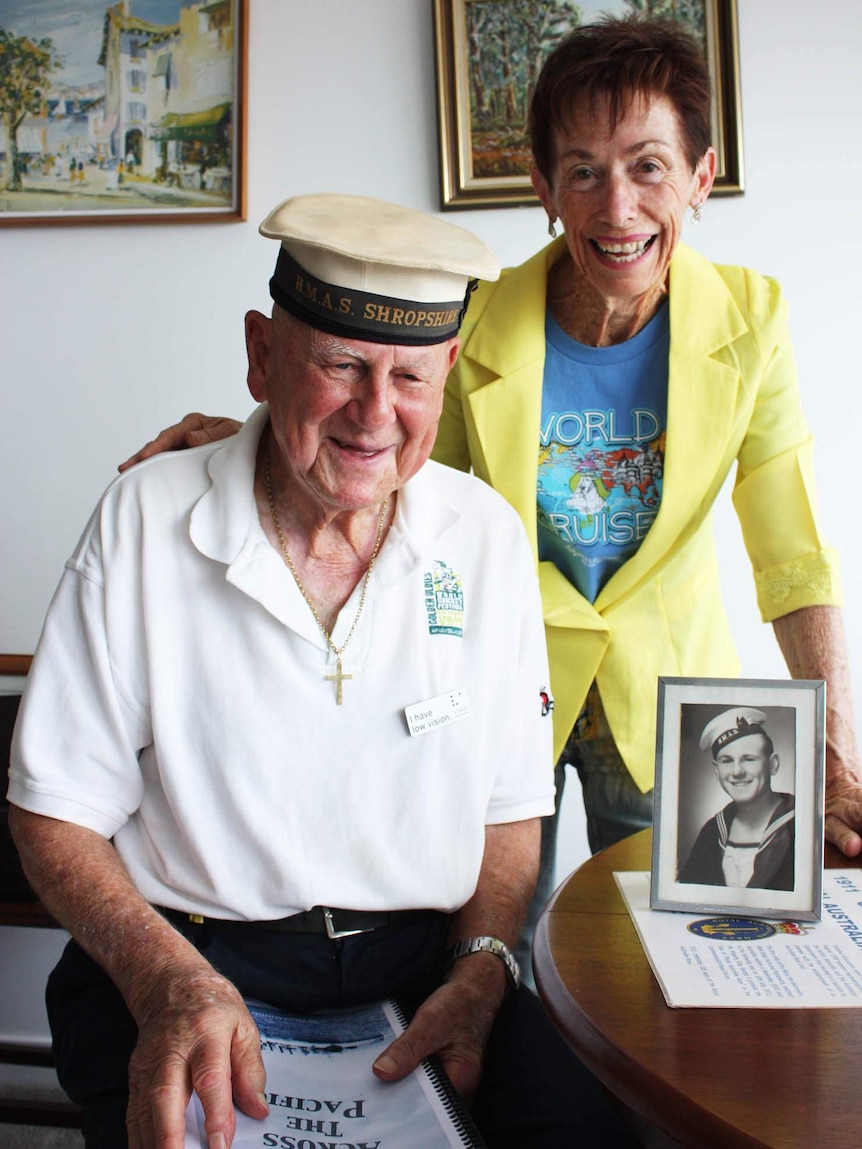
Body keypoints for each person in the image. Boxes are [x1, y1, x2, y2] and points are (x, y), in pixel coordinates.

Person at [117, 16, 862, 949]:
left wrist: (836, 760)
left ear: (700, 178)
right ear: (544, 188)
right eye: (582, 170)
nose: (616, 207)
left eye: (647, 167)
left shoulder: (754, 319)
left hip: (677, 691)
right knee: (492, 950)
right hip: (504, 679)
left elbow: (792, 553)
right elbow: (411, 480)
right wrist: (267, 436)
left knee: (696, 957)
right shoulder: (475, 323)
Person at [8, 193, 636, 1149]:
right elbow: (52, 811)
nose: (375, 415)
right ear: (262, 356)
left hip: (422, 969)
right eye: (341, 365)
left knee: (581, 1131)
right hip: (190, 955)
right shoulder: (143, 518)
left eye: (410, 378)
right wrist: (170, 978)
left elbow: (511, 811)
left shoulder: (486, 539)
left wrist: (478, 967)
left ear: (449, 374)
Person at [678, 709, 795, 889]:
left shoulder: (798, 826)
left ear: (773, 764)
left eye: (748, 759)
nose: (737, 771)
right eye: (726, 761)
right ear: (717, 772)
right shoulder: (712, 832)